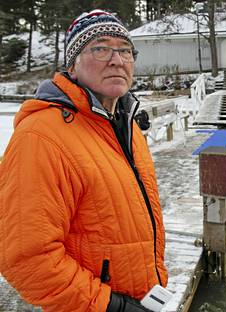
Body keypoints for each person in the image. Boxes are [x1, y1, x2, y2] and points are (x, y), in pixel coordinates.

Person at [0, 10, 168, 312]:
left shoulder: (127, 127)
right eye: (101, 48)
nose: (117, 59)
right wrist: (111, 307)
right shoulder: (40, 137)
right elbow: (26, 258)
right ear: (73, 66)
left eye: (125, 50)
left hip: (146, 299)